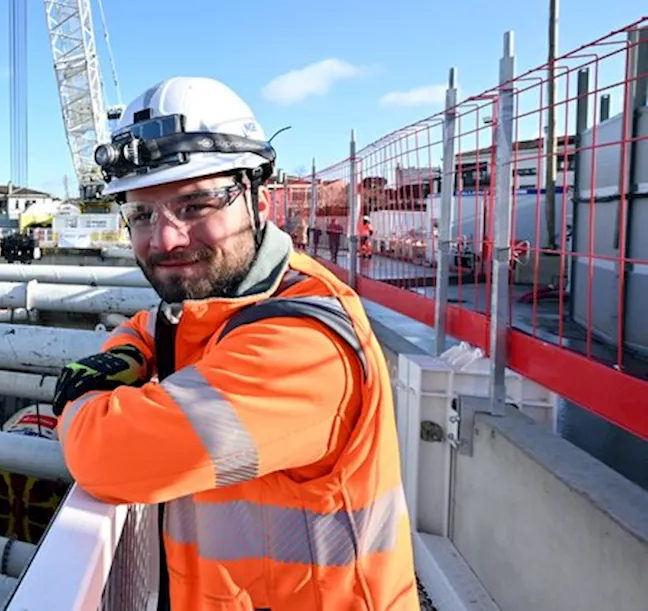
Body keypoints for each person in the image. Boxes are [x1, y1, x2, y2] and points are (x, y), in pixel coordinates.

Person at [51, 77, 418, 610]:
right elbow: (159, 322)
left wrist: (79, 399)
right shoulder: (229, 304)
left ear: (259, 200)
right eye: (143, 215)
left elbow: (103, 455)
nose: (166, 239)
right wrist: (127, 352)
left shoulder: (302, 348)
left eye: (196, 204)